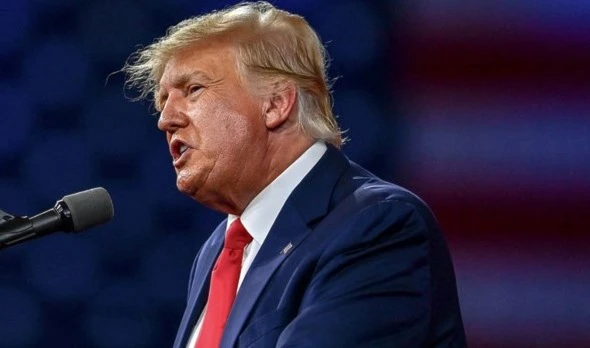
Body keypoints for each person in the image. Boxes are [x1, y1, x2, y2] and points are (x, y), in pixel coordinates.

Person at [123, 2, 466, 347]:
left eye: (193, 89)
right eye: (162, 101)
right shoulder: (217, 251)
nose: (165, 119)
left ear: (275, 104)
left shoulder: (377, 225)